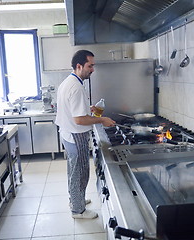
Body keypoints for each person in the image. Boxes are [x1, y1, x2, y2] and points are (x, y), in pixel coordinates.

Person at [55, 50, 115, 219]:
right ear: (79, 66)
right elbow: (80, 120)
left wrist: (89, 109)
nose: (93, 70)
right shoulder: (76, 87)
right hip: (76, 136)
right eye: (90, 66)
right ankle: (78, 210)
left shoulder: (69, 81)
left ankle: (75, 200)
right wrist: (102, 119)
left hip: (67, 134)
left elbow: (72, 110)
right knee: (80, 173)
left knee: (73, 171)